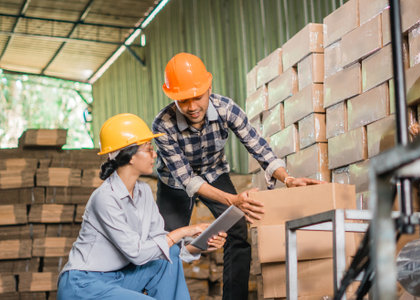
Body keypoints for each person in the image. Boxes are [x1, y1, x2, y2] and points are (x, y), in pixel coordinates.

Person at [152, 52, 323, 299]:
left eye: (197, 98)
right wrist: (233, 200)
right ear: (172, 97)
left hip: (215, 172)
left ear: (209, 87)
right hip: (175, 183)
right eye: (183, 101)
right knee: (166, 245)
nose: (192, 107)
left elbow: (258, 146)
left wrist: (288, 178)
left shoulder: (226, 108)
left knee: (238, 230)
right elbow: (188, 180)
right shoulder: (162, 124)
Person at [57, 113, 227, 300]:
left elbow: (161, 243)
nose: (155, 154)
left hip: (119, 278)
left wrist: (201, 244)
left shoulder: (143, 192)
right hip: (84, 284)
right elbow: (137, 253)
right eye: (148, 149)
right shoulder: (105, 198)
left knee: (168, 255)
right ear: (130, 156)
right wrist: (186, 230)